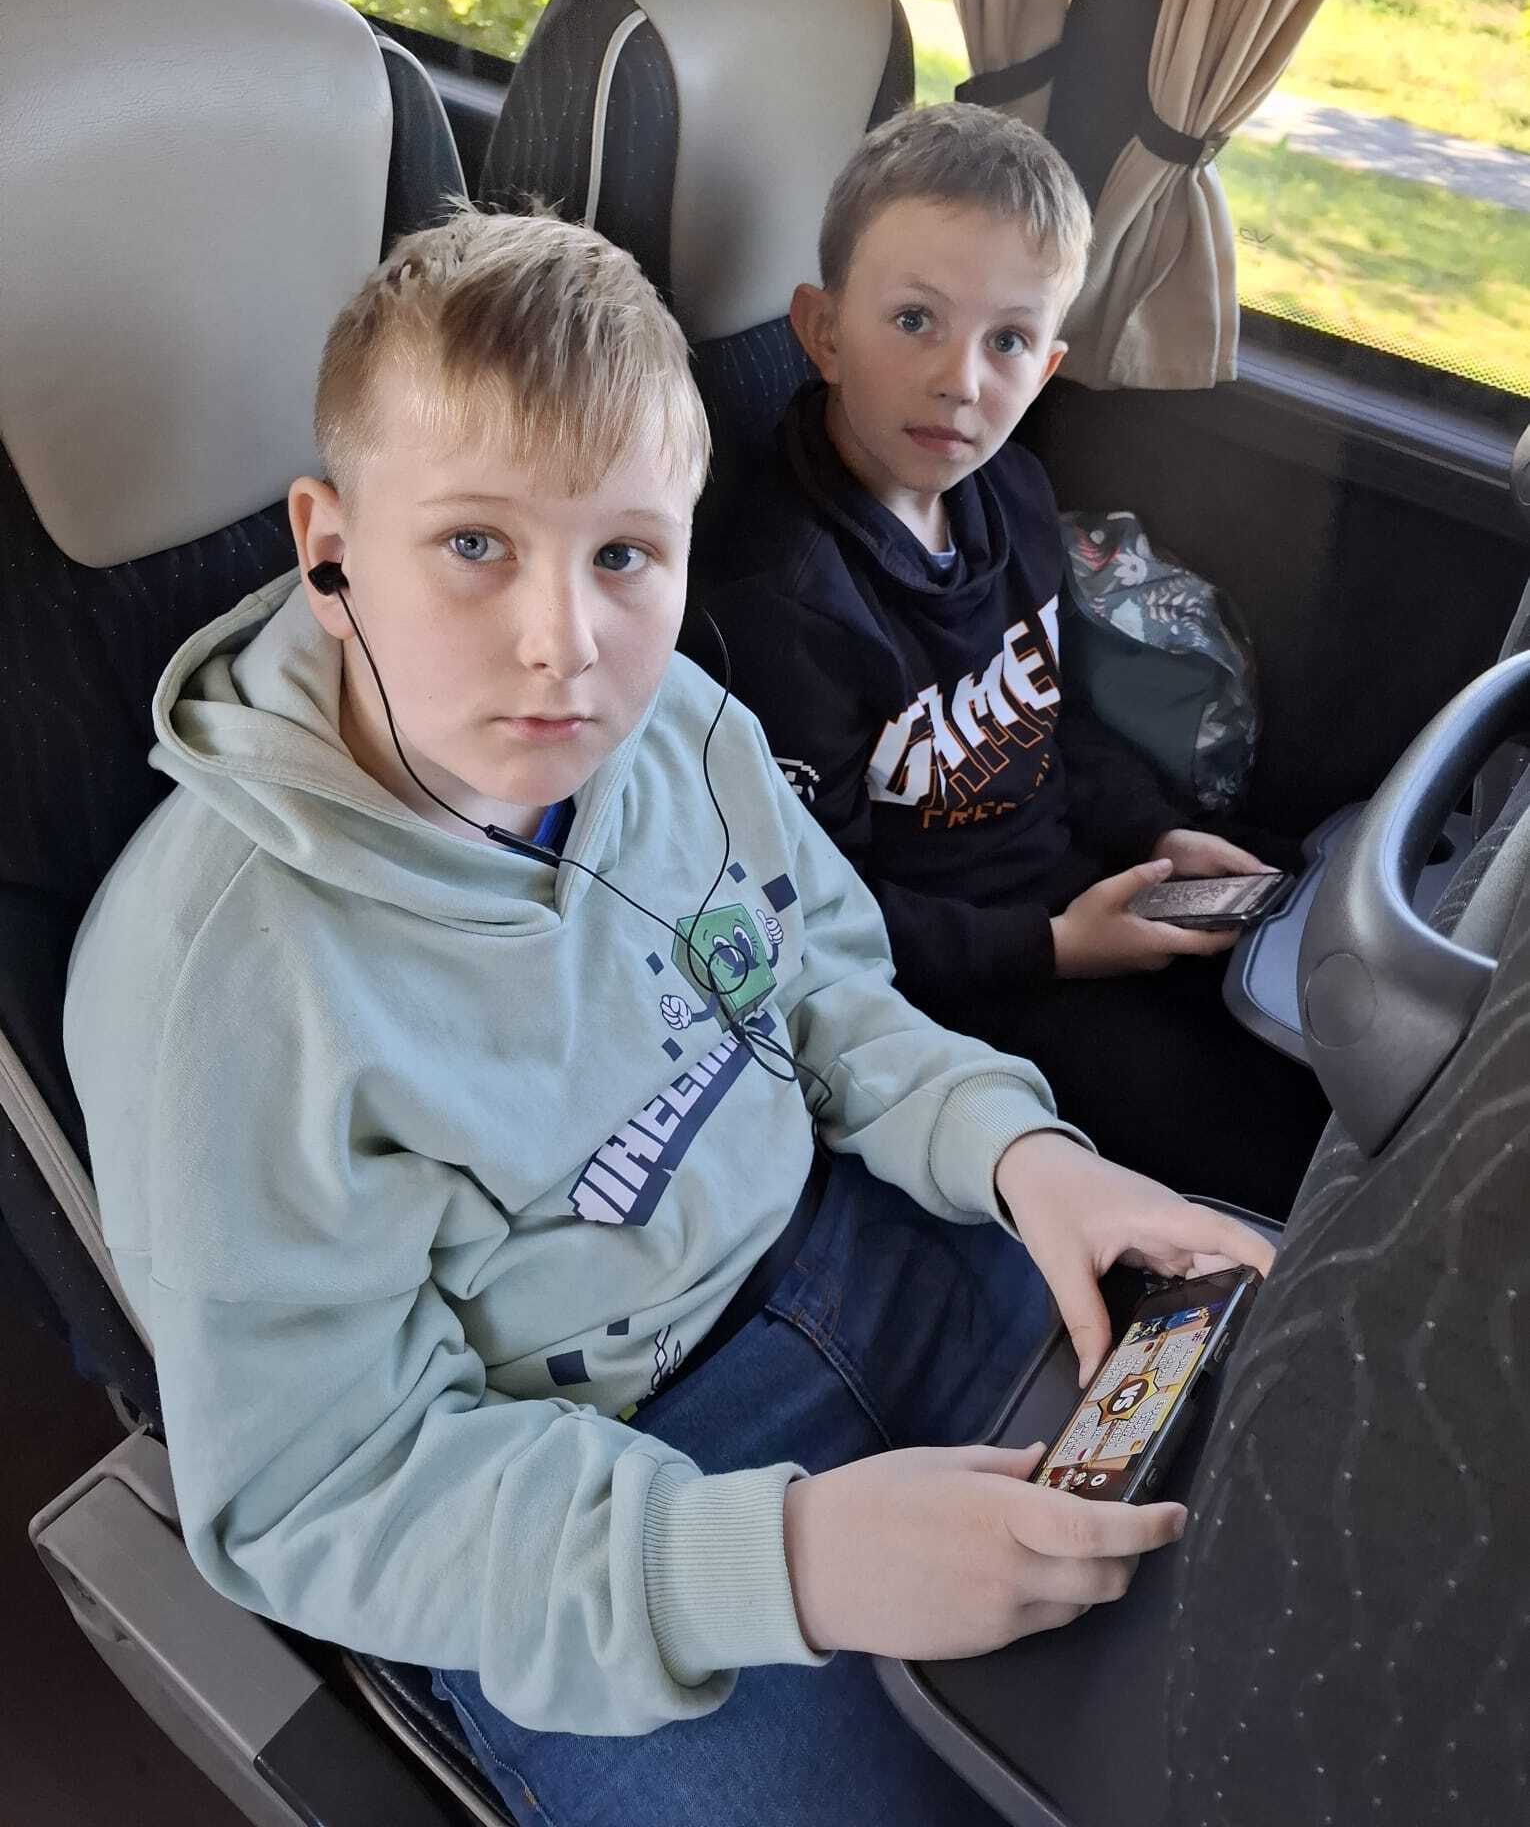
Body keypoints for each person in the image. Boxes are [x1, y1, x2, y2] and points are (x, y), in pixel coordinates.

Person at [64, 209, 1272, 1826]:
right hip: (581, 1491)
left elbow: (820, 987)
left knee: (1253, 1563)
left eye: (623, 555)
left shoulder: (679, 722)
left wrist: (1014, 1154)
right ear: (329, 547)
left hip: (866, 1246)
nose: (563, 645)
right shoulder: (218, 990)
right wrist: (783, 1559)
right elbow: (325, 1486)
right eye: (475, 545)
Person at [694, 104, 1328, 1215]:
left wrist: (1153, 834)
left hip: (1070, 886)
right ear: (823, 332)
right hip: (949, 990)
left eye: (1007, 342)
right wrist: (1054, 949)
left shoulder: (1011, 495)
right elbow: (818, 913)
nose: (961, 380)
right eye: (914, 321)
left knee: (1314, 927)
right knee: (1263, 1136)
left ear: (1048, 367)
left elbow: (1047, 721)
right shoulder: (786, 605)